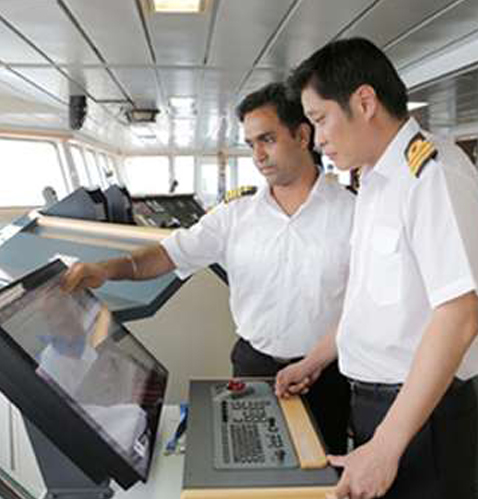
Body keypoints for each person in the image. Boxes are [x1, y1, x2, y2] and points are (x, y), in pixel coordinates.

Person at [62, 82, 355, 454]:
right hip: (255, 368)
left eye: (267, 139)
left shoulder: (353, 213)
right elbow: (166, 255)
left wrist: (316, 362)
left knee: (325, 472)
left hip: (327, 373)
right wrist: (106, 270)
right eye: (251, 144)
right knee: (252, 468)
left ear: (301, 135)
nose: (258, 155)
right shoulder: (235, 215)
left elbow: (365, 303)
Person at [275, 37, 478, 499]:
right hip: (383, 409)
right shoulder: (376, 181)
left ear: (364, 102)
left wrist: (385, 446)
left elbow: (459, 318)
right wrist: (315, 359)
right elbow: (371, 301)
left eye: (320, 119)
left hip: (422, 418)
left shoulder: (431, 174)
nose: (318, 139)